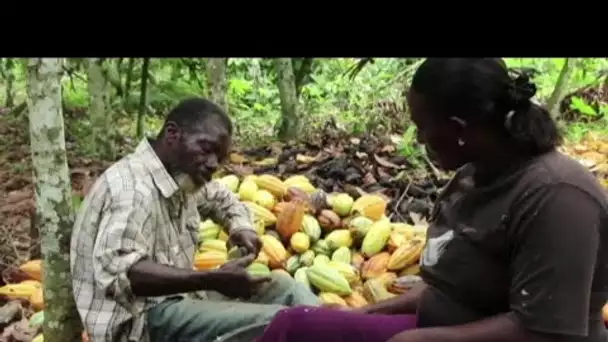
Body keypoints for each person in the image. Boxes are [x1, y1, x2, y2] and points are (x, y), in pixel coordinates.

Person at [254, 58, 608, 342]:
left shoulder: (558, 197)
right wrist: (367, 314)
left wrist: (419, 339)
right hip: (439, 324)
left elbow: (545, 330)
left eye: (422, 126)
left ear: (458, 128)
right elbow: (448, 290)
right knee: (297, 327)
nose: (420, 139)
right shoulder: (472, 176)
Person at [70, 98, 320, 342]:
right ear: (172, 134)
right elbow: (126, 274)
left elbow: (222, 198)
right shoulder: (131, 189)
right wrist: (212, 279)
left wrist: (241, 227)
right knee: (283, 321)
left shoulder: (182, 176)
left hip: (179, 300)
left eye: (220, 158)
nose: (213, 164)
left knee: (285, 289)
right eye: (206, 149)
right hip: (140, 321)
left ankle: (347, 330)